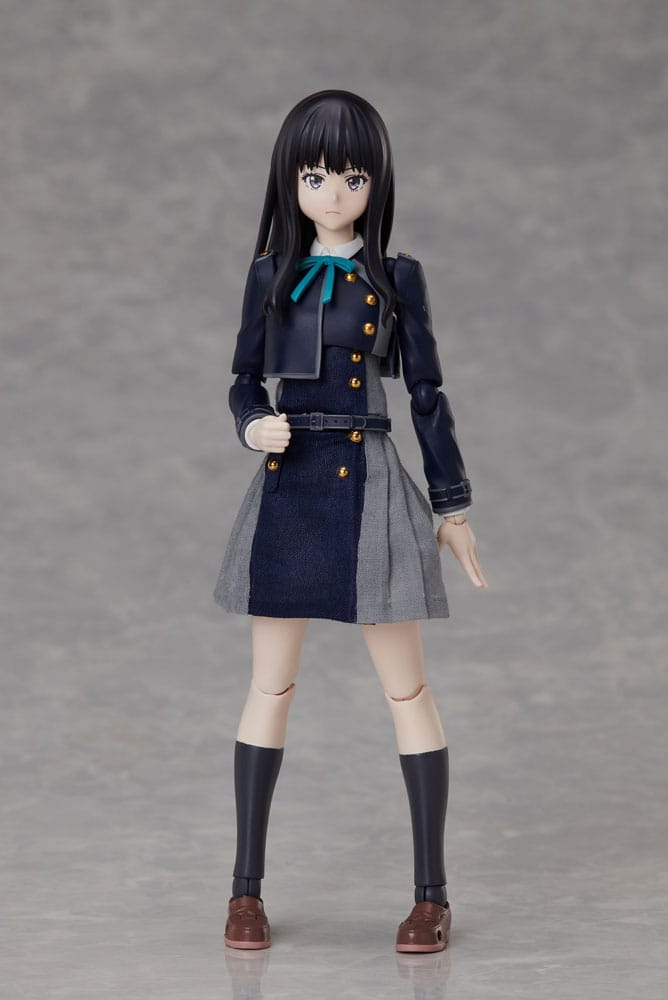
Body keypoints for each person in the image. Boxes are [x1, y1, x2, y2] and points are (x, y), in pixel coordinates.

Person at [213, 90, 487, 953]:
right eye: (316, 176)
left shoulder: (396, 277)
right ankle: (244, 891)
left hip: (368, 477)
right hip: (289, 485)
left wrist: (451, 503)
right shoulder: (271, 273)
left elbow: (428, 394)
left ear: (376, 184)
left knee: (407, 689)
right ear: (291, 181)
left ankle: (431, 896)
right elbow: (242, 379)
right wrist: (252, 423)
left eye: (352, 177)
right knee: (269, 686)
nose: (333, 193)